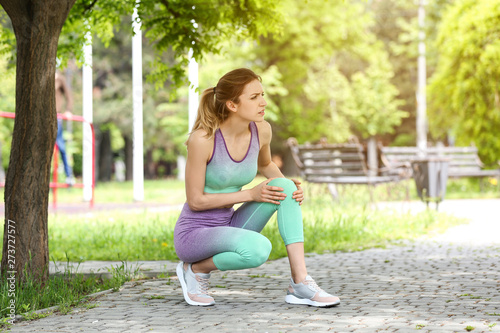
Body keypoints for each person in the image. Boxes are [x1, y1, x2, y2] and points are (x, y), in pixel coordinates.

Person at [174, 68, 340, 308]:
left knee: (284, 186)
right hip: (194, 233)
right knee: (259, 249)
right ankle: (195, 269)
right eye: (254, 97)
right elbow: (196, 201)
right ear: (232, 105)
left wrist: (289, 191)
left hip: (230, 223)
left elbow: (265, 164)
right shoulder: (203, 139)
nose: (263, 102)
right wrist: (249, 194)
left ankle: (300, 282)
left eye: (262, 95)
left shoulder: (262, 130)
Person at [55, 72, 75, 186]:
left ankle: (69, 175)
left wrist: (68, 110)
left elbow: (68, 95)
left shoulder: (59, 78)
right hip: (43, 117)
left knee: (61, 145)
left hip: (56, 116)